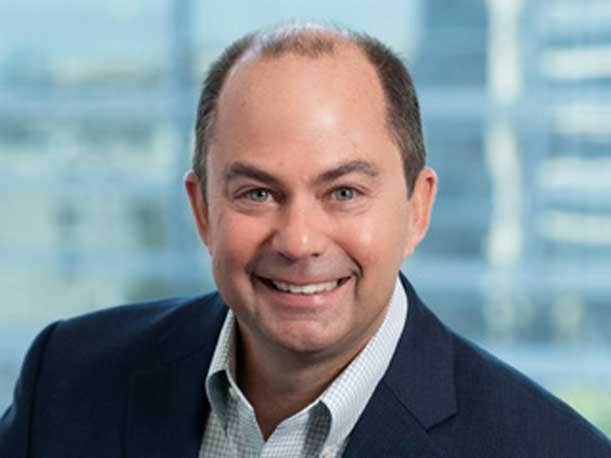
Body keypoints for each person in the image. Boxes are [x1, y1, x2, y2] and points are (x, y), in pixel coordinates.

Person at [1, 23, 610, 458]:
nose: (298, 241)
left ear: (417, 209)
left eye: (343, 192)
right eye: (256, 193)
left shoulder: (551, 448)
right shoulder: (68, 380)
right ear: (203, 210)